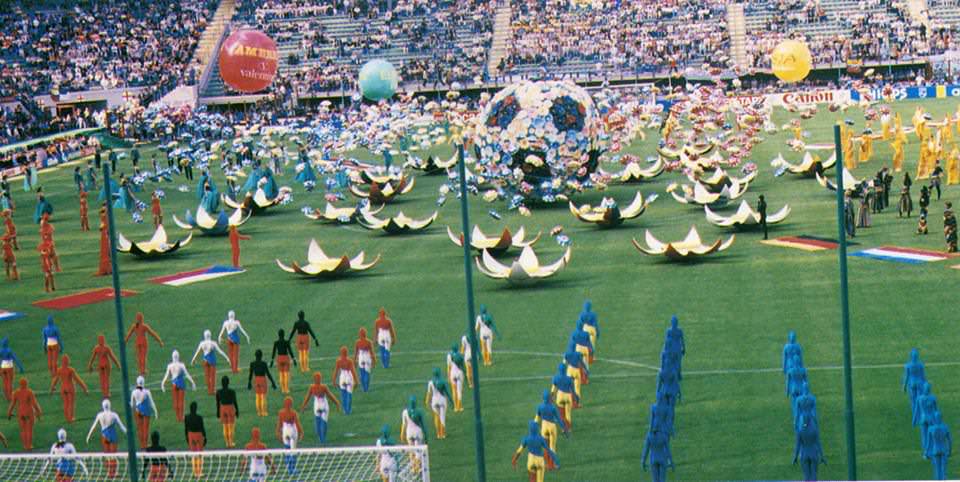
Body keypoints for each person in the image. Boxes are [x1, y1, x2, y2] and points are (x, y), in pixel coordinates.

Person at [86, 399, 124, 477]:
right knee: (113, 455)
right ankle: (114, 472)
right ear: (110, 405)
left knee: (107, 455)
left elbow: (93, 426)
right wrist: (128, 432)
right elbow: (122, 426)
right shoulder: (114, 414)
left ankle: (109, 473)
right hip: (113, 435)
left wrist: (88, 436)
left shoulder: (99, 415)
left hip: (104, 436)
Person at [300, 372, 341, 443]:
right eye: (317, 378)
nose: (318, 380)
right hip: (318, 405)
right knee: (318, 422)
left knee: (323, 422)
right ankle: (321, 437)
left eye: (319, 378)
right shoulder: (313, 387)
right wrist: (303, 406)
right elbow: (308, 397)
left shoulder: (323, 387)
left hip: (322, 404)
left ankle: (323, 439)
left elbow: (330, 395)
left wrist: (337, 403)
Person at [50, 354, 88, 423]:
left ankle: (67, 418)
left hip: (63, 388)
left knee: (65, 404)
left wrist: (52, 387)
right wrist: (84, 387)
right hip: (70, 388)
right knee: (71, 403)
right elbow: (77, 379)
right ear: (67, 361)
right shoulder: (70, 370)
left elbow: (55, 380)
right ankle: (71, 418)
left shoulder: (59, 370)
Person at [161, 350, 196, 422]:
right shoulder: (181, 365)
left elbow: (166, 376)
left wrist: (163, 384)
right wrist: (192, 382)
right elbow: (187, 374)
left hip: (174, 384)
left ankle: (177, 417)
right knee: (181, 401)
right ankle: (181, 416)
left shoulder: (170, 366)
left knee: (175, 401)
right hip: (181, 383)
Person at [192, 330, 230, 395]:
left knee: (207, 376)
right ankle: (212, 390)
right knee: (212, 376)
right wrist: (227, 358)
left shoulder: (202, 343)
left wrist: (193, 360)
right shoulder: (213, 343)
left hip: (205, 361)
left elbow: (197, 352)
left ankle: (209, 390)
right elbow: (220, 351)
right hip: (212, 361)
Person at [7, 377, 41, 450]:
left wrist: (9, 413)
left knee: (23, 430)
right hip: (29, 412)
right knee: (29, 430)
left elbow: (12, 404)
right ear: (26, 384)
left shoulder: (16, 393)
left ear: (20, 385)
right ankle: (29, 445)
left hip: (21, 412)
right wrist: (38, 411)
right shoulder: (29, 392)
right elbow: (34, 403)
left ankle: (25, 445)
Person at [793, 414, 825, 481]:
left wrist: (795, 457)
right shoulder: (815, 431)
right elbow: (818, 444)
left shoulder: (800, 431)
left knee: (806, 476)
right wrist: (822, 456)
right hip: (814, 453)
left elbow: (798, 445)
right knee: (814, 474)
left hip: (804, 454)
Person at [276, 397, 303, 474]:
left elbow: (279, 424)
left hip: (285, 431)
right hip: (292, 431)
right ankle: (292, 468)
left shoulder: (281, 413)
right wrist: (301, 432)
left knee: (287, 449)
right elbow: (297, 423)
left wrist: (278, 433)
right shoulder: (293, 413)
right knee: (293, 451)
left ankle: (289, 468)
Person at [131, 375, 159, 448]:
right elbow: (151, 402)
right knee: (145, 429)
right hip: (146, 410)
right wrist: (156, 412)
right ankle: (145, 445)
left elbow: (131, 404)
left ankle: (142, 445)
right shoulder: (147, 392)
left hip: (137, 410)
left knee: (139, 428)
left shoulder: (133, 392)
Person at [248, 349, 277, 417]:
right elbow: (268, 373)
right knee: (263, 396)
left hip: (256, 380)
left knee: (258, 397)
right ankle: (263, 412)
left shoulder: (252, 364)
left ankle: (259, 412)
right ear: (261, 356)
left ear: (255, 356)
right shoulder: (264, 363)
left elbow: (251, 374)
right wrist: (273, 382)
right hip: (263, 380)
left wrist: (249, 383)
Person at [426, 367, 452, 439]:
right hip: (442, 400)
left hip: (434, 400)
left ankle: (438, 434)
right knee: (442, 416)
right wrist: (451, 401)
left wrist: (427, 401)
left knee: (436, 417)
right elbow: (447, 392)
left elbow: (429, 393)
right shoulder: (442, 381)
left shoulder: (430, 382)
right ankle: (443, 434)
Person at [332, 346, 359, 415]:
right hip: (348, 377)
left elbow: (336, 371)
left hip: (342, 377)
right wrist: (356, 381)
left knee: (343, 394)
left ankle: (344, 409)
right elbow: (353, 371)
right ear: (346, 353)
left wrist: (334, 381)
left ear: (341, 353)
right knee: (349, 394)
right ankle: (348, 410)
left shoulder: (338, 361)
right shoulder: (349, 361)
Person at [551, 362, 577, 428]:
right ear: (565, 369)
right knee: (568, 413)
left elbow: (553, 390)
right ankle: (568, 427)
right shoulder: (569, 379)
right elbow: (573, 391)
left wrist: (551, 397)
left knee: (561, 414)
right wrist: (575, 398)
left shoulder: (556, 378)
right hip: (568, 396)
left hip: (560, 396)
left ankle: (564, 428)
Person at [926, 413, 952, 480]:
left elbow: (929, 443)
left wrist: (926, 453)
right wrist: (949, 451)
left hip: (935, 450)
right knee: (943, 469)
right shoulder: (945, 427)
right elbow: (949, 440)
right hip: (943, 449)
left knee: (937, 469)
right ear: (941, 418)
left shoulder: (931, 428)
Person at [270, 330, 297, 394]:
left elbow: (273, 352)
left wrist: (272, 361)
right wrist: (294, 359)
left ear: (278, 335)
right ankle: (286, 389)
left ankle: (282, 389)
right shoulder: (286, 342)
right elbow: (290, 351)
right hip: (285, 358)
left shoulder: (276, 342)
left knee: (281, 374)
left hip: (279, 358)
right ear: (284, 334)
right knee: (286, 374)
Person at [216, 376, 240, 447]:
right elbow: (235, 402)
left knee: (225, 426)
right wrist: (237, 410)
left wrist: (218, 412)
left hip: (222, 408)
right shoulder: (232, 391)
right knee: (231, 426)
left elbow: (217, 403)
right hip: (230, 408)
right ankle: (231, 442)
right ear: (228, 383)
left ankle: (227, 442)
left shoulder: (218, 392)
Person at [184, 401, 206, 478]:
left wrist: (187, 437)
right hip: (198, 435)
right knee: (199, 454)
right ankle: (199, 472)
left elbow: (186, 428)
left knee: (193, 453)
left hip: (190, 435)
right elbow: (202, 428)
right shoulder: (199, 417)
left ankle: (195, 472)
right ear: (196, 409)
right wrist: (205, 437)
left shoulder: (186, 417)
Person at [354, 327, 376, 393]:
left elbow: (355, 353)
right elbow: (372, 352)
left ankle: (363, 388)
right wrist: (374, 361)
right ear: (365, 334)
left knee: (362, 373)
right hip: (367, 358)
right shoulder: (369, 342)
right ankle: (366, 388)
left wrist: (354, 361)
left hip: (361, 358)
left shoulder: (357, 342)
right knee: (367, 373)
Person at [446, 342, 466, 413]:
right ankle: (459, 406)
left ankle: (455, 407)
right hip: (459, 373)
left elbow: (448, 367)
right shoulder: (460, 355)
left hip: (452, 373)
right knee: (459, 390)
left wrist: (448, 376)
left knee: (454, 391)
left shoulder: (449, 355)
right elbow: (463, 366)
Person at [96, 206, 112, 276]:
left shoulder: (105, 216)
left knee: (106, 250)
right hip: (106, 234)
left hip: (105, 234)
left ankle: (107, 268)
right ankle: (109, 268)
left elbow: (102, 226)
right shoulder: (108, 216)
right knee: (108, 251)